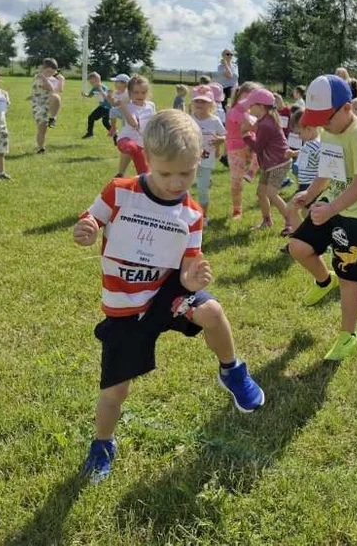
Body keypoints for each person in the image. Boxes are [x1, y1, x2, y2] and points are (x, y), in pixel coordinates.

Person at [73, 109, 265, 483]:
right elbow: (92, 218)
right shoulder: (120, 191)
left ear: (200, 161)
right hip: (126, 308)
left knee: (211, 310)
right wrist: (88, 228)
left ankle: (232, 370)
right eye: (166, 173)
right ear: (147, 158)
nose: (177, 182)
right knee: (115, 392)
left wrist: (193, 281)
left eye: (187, 173)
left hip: (168, 293)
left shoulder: (192, 213)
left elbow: (187, 266)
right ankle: (102, 444)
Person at [288, 74, 357, 361]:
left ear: (347, 108)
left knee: (348, 276)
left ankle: (348, 336)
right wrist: (310, 194)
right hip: (336, 203)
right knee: (298, 247)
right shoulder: (331, 130)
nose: (321, 125)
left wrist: (330, 209)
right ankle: (323, 281)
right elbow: (329, 170)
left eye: (326, 118)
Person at [243, 89, 293, 234]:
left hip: (279, 163)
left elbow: (258, 147)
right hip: (270, 164)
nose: (249, 108)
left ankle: (291, 222)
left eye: (251, 105)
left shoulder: (266, 124)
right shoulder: (265, 120)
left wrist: (245, 136)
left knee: (271, 193)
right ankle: (267, 221)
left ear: (260, 106)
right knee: (261, 193)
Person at [224, 82, 260, 219]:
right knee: (236, 182)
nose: (251, 101)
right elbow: (253, 127)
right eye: (248, 98)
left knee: (260, 151)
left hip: (249, 145)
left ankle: (251, 172)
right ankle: (237, 209)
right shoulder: (234, 112)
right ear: (239, 96)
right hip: (235, 149)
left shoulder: (251, 113)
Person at [190, 91, 226, 217]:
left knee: (202, 189)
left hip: (206, 160)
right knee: (185, 187)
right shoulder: (189, 118)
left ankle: (203, 217)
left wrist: (220, 140)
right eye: (197, 101)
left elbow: (225, 135)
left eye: (204, 101)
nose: (200, 103)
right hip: (189, 159)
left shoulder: (214, 120)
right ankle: (185, 213)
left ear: (211, 104)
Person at [287, 110, 321, 232]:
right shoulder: (309, 144)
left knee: (293, 208)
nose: (299, 136)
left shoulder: (317, 146)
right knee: (306, 213)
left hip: (310, 186)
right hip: (304, 185)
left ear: (309, 129)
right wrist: (294, 153)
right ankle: (309, 236)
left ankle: (302, 236)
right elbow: (304, 151)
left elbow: (324, 163)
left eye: (299, 133)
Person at [115, 76, 156, 177]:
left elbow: (155, 121)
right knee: (130, 147)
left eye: (143, 92)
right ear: (129, 93)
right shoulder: (128, 106)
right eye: (136, 92)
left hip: (142, 143)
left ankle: (142, 189)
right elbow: (133, 123)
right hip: (126, 139)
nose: (140, 95)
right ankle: (120, 173)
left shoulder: (150, 105)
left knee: (145, 175)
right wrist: (123, 105)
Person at [30, 58, 64, 154]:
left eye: (53, 71)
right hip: (38, 104)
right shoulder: (39, 77)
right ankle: (41, 148)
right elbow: (50, 88)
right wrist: (46, 78)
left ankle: (52, 118)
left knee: (56, 97)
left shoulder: (53, 78)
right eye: (48, 71)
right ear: (43, 69)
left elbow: (59, 90)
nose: (50, 73)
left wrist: (62, 79)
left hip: (49, 102)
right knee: (42, 126)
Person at [82, 72, 110, 140]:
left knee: (102, 121)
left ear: (98, 81)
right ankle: (90, 133)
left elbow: (107, 97)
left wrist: (100, 89)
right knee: (94, 118)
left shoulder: (103, 87)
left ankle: (114, 132)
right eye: (90, 83)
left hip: (108, 108)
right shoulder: (94, 88)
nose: (92, 84)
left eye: (92, 82)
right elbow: (90, 95)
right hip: (102, 107)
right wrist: (85, 95)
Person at [107, 74, 130, 144]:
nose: (115, 84)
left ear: (125, 84)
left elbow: (118, 103)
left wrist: (112, 99)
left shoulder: (127, 93)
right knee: (112, 110)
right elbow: (113, 104)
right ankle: (113, 128)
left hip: (128, 113)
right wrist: (109, 97)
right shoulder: (116, 93)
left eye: (117, 82)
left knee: (125, 127)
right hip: (121, 110)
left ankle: (127, 140)